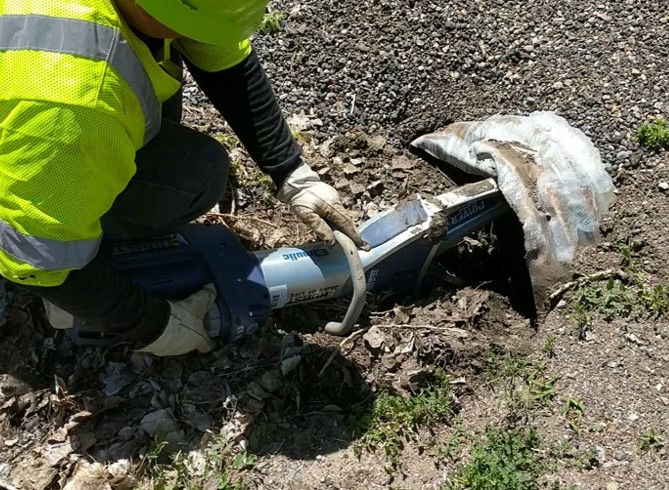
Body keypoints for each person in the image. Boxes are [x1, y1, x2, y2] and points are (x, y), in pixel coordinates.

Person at [0, 0, 365, 356]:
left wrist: (290, 171)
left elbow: (226, 62)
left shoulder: (142, 14)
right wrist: (153, 325)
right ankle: (79, 251)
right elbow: (36, 260)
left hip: (37, 108)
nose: (197, 36)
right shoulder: (78, 106)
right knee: (194, 175)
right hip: (49, 126)